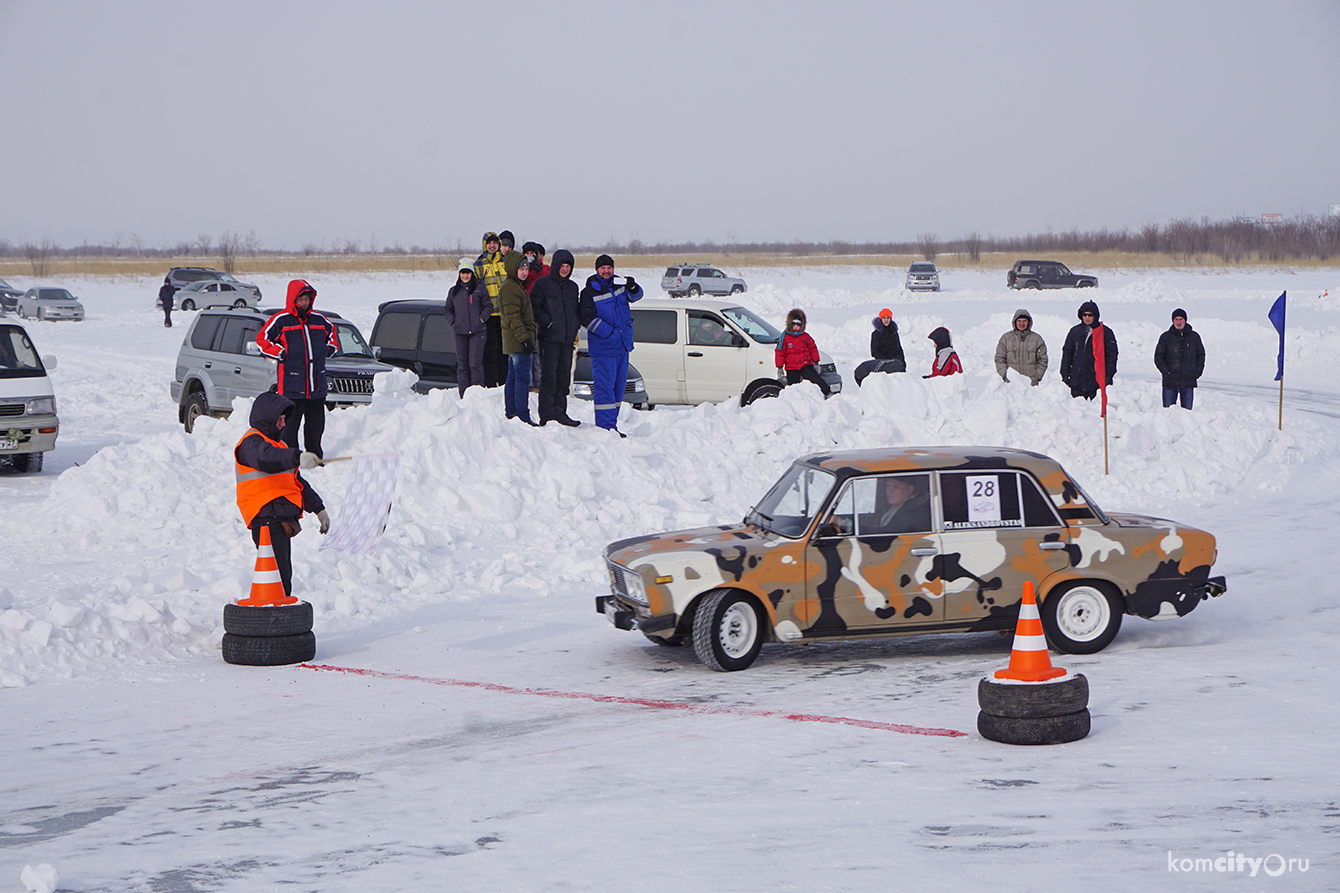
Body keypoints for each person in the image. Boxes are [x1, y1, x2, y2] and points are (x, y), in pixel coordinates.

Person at [234, 391, 330, 599]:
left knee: (282, 575)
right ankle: (275, 620)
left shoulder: (281, 446)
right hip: (265, 517)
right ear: (267, 418)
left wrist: (319, 508)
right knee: (276, 576)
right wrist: (296, 456)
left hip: (280, 519)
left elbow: (297, 483)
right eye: (279, 419)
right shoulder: (252, 443)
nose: (283, 424)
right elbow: (266, 458)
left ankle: (280, 618)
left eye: (284, 419)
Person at [256, 279, 339, 457]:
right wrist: (280, 352)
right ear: (293, 299)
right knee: (289, 429)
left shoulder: (319, 320)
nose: (304, 303)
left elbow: (333, 334)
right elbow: (262, 340)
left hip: (316, 387)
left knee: (315, 429)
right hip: (291, 388)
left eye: (307, 299)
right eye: (301, 299)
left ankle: (315, 458)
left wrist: (329, 348)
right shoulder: (281, 320)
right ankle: (291, 459)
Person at [579, 254, 642, 434]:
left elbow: (637, 295)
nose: (606, 271)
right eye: (603, 268)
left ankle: (611, 426)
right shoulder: (589, 292)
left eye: (609, 268)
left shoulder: (620, 285)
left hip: (622, 347)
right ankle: (605, 429)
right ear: (597, 270)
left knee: (617, 391)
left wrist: (632, 285)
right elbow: (587, 319)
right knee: (604, 390)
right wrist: (610, 333)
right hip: (604, 349)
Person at [530, 248, 582, 426]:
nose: (565, 269)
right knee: (549, 377)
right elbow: (534, 308)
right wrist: (548, 323)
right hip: (549, 339)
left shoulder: (573, 287)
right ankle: (546, 416)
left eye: (568, 266)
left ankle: (561, 413)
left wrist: (575, 326)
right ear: (555, 265)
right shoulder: (542, 284)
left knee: (563, 378)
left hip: (567, 340)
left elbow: (576, 311)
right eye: (562, 265)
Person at [498, 252, 537, 424]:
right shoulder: (510, 288)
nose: (524, 272)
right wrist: (525, 339)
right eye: (521, 268)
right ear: (513, 269)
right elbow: (513, 316)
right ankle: (522, 415)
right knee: (522, 379)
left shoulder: (515, 285)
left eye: (526, 268)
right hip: (518, 341)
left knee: (513, 377)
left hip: (516, 340)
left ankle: (512, 413)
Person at [444, 258, 493, 396]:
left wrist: (481, 319)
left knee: (475, 364)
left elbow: (488, 306)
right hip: (460, 332)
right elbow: (447, 309)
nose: (465, 276)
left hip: (478, 332)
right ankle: (464, 395)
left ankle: (477, 395)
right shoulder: (454, 291)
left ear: (472, 274)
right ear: (459, 274)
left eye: (468, 273)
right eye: (462, 273)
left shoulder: (479, 289)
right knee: (463, 365)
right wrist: (453, 322)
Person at [1059, 300, 1118, 400]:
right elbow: (1067, 353)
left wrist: (1108, 376)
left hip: (1096, 382)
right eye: (1084, 315)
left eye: (1090, 315)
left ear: (1095, 316)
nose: (1087, 317)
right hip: (1076, 381)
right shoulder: (1075, 332)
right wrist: (1064, 374)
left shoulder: (1105, 332)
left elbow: (1112, 356)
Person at [474, 232, 507, 387]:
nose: (492, 246)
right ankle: (490, 384)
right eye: (489, 243)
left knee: (504, 351)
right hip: (488, 315)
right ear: (484, 245)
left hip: (505, 314)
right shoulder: (479, 264)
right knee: (490, 352)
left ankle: (504, 383)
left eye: (495, 243)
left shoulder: (505, 262)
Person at [1154, 307, 1205, 409]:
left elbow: (1201, 355)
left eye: (1181, 319)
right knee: (1168, 413)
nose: (1178, 322)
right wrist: (1166, 372)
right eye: (1176, 319)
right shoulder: (1165, 337)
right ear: (1173, 321)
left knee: (1187, 414)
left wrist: (1197, 372)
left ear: (1185, 320)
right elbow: (1159, 357)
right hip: (1170, 382)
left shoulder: (1194, 337)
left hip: (1188, 381)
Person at [775, 308, 832, 396]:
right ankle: (795, 400)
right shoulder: (785, 338)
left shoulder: (805, 337)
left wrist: (816, 362)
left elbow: (813, 348)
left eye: (799, 325)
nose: (796, 327)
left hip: (805, 364)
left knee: (815, 379)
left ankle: (827, 392)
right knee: (793, 386)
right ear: (790, 325)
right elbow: (780, 352)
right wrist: (779, 367)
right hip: (791, 367)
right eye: (794, 325)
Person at [994, 309, 1048, 385]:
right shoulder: (1006, 339)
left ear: (1029, 322)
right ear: (1015, 322)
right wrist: (1005, 375)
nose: (1021, 323)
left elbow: (1043, 360)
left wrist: (1037, 376)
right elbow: (999, 358)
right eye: (1019, 321)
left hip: (1030, 385)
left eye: (1024, 321)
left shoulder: (1037, 339)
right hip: (1010, 385)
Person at [522, 242, 550, 388]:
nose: (530, 256)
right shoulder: (521, 270)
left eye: (533, 254)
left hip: (540, 314)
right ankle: (529, 382)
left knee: (538, 351)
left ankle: (539, 383)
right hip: (525, 315)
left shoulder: (545, 270)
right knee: (527, 350)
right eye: (527, 254)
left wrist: (537, 269)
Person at [854, 308, 906, 384]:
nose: (886, 320)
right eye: (884, 318)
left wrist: (902, 362)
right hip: (883, 365)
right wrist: (886, 362)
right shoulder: (876, 334)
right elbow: (874, 351)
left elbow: (899, 349)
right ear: (880, 319)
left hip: (896, 364)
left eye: (888, 318)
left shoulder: (894, 333)